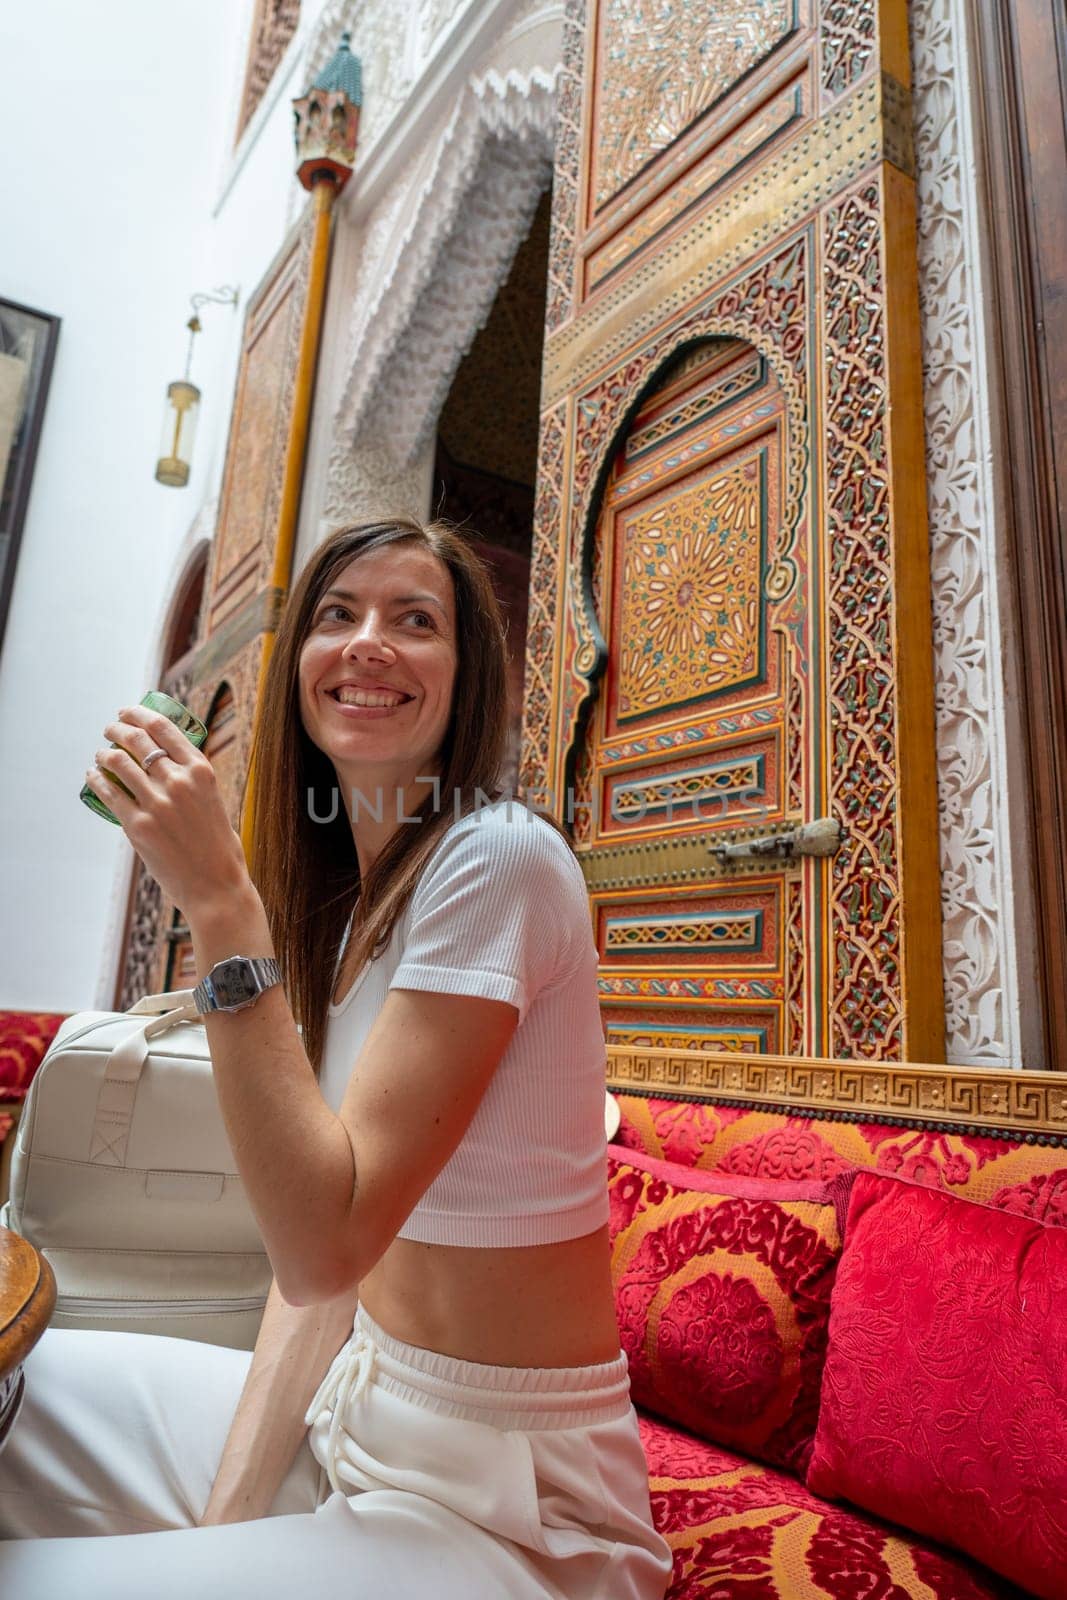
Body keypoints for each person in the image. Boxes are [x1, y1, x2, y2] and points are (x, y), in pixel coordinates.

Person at [0, 518, 673, 1598]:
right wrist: (223, 1521)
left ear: (467, 682)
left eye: (416, 621)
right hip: (355, 1415)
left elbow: (323, 1243)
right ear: (297, 670)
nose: (368, 643)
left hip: (506, 1511)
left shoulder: (495, 857)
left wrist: (221, 906)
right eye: (336, 615)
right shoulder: (357, 910)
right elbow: (315, 1291)